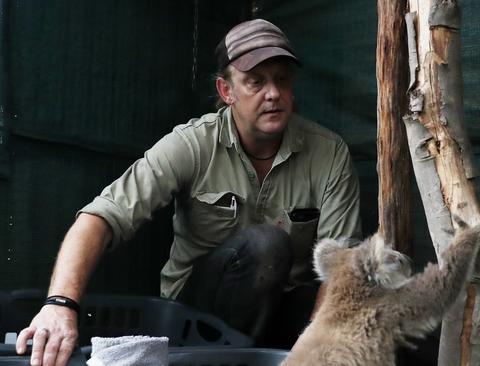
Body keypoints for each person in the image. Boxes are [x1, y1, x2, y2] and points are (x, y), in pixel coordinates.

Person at [16, 18, 362, 366]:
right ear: (227, 91)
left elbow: (341, 266)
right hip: (200, 319)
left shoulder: (329, 152)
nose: (272, 93)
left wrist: (318, 342)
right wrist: (60, 305)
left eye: (282, 80)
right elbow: (100, 218)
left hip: (284, 314)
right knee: (266, 245)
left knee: (370, 304)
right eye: (255, 82)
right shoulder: (193, 144)